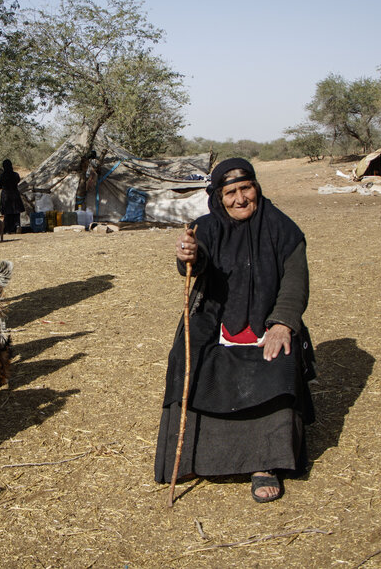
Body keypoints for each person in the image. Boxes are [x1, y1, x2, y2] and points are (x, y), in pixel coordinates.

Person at [154, 157, 315, 503]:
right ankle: (195, 456)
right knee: (188, 357)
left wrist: (283, 323)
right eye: (230, 192)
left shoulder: (283, 229)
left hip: (269, 320)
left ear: (256, 187)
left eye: (246, 189)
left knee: (278, 361)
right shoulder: (205, 228)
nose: (240, 199)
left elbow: (295, 283)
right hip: (215, 319)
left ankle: (264, 463)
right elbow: (195, 265)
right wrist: (187, 256)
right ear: (218, 196)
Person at [0, 159, 25, 234]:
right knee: (16, 211)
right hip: (15, 194)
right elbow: (18, 181)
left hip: (6, 195)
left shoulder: (2, 176)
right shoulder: (15, 175)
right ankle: (17, 225)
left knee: (7, 213)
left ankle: (8, 229)